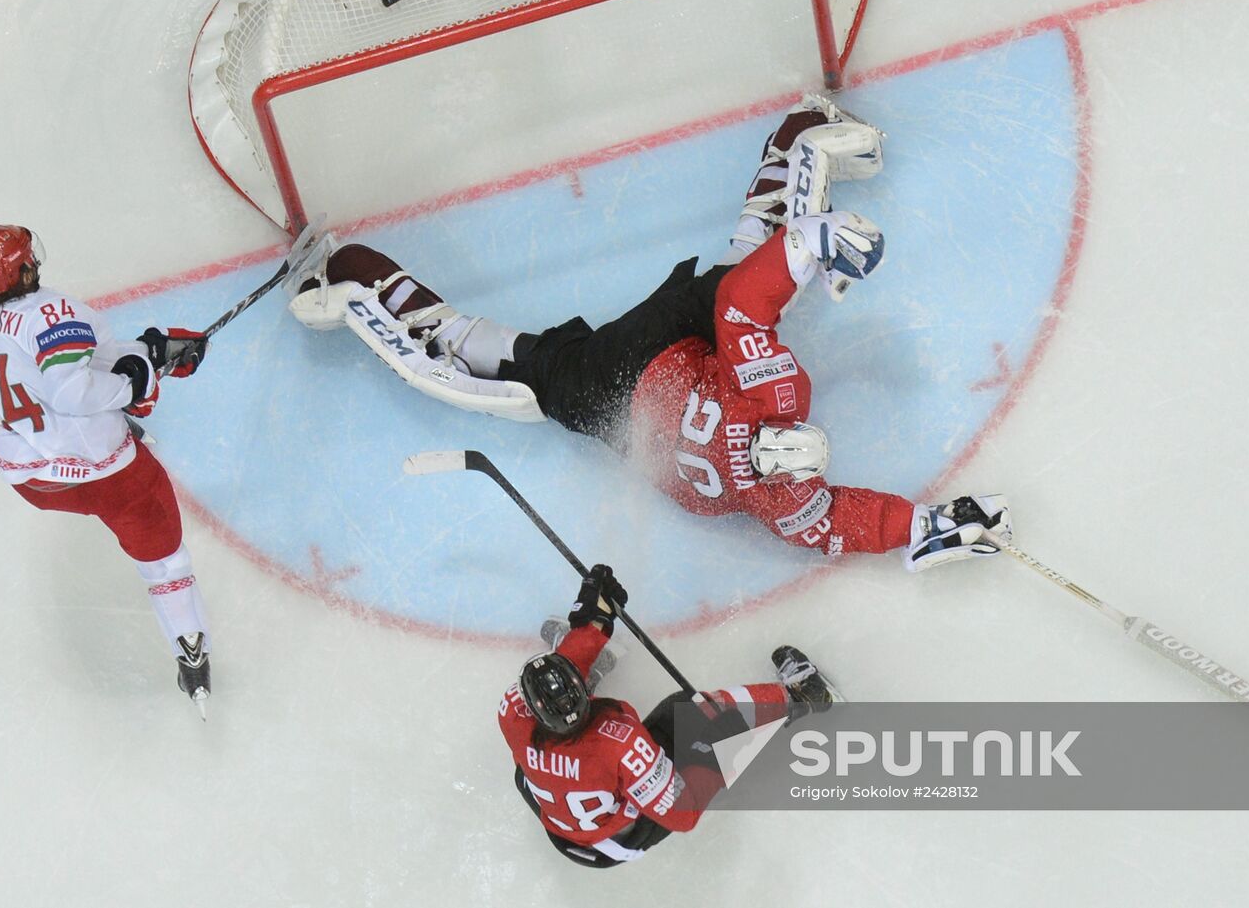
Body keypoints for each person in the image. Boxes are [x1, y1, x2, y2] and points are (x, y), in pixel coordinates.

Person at [288, 95, 1012, 570]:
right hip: (629, 392)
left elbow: (741, 306)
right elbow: (843, 518)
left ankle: (797, 143)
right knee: (516, 377)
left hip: (648, 365)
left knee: (720, 283)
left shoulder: (773, 406)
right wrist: (922, 528)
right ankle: (362, 281)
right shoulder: (783, 499)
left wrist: (809, 244)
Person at [0, 224, 215, 714]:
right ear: (21, 267)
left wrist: (147, 351)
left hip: (32, 475)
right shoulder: (49, 310)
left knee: (101, 419)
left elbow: (82, 359)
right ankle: (192, 654)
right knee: (166, 561)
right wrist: (133, 387)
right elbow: (73, 392)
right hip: (104, 475)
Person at [500, 564, 835, 868]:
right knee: (688, 712)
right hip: (615, 840)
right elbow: (683, 813)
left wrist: (594, 623)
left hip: (560, 828)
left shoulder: (513, 713)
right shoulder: (620, 742)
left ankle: (593, 664)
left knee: (523, 773)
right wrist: (712, 759)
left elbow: (561, 687)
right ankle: (803, 697)